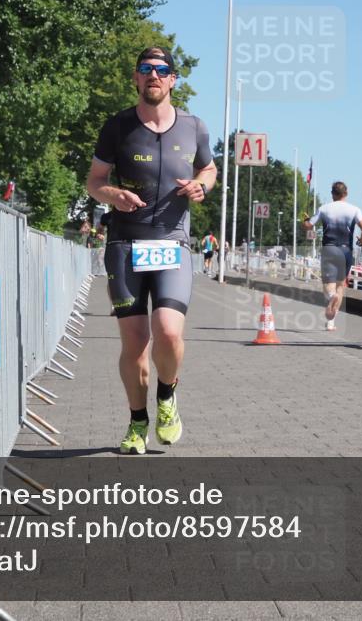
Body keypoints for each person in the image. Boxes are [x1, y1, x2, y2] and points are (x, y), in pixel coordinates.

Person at [86, 47, 217, 455]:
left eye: (162, 70)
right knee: (135, 343)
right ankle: (137, 422)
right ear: (136, 78)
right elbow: (94, 181)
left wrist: (203, 185)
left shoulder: (194, 127)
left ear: (173, 79)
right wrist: (112, 194)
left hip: (172, 243)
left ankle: (167, 395)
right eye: (146, 70)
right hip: (125, 245)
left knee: (169, 330)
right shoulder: (118, 127)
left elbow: (209, 168)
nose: (154, 76)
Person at [302, 181, 362, 331]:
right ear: (346, 194)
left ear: (332, 194)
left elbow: (308, 226)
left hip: (329, 249)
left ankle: (331, 297)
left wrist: (305, 220)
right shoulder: (354, 210)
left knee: (328, 286)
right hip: (346, 251)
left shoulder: (324, 209)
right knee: (340, 285)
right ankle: (331, 322)